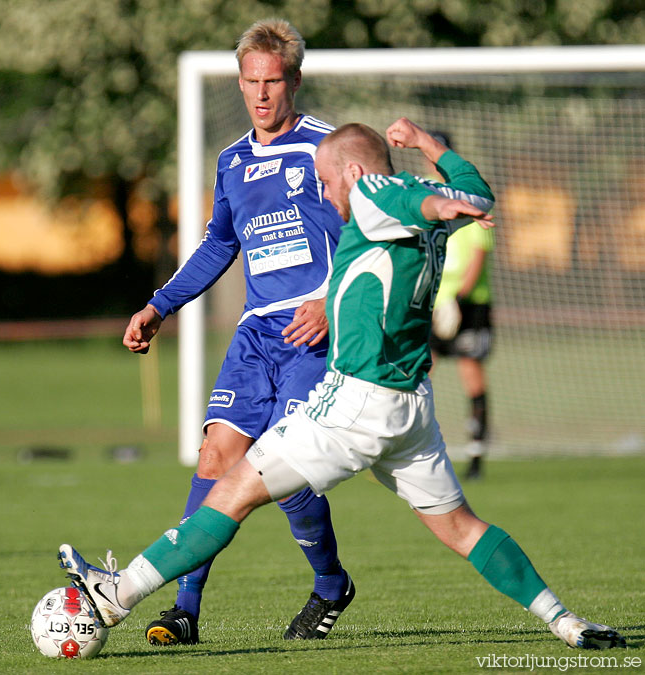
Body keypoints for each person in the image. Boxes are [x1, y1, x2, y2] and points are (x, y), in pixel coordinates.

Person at [66, 119, 625, 651]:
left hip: (356, 403)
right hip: (413, 411)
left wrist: (440, 201)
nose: (324, 194)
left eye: (326, 182)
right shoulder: (415, 199)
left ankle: (117, 595)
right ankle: (565, 621)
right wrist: (433, 152)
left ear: (356, 175)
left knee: (232, 491)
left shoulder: (379, 197)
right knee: (460, 527)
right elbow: (474, 190)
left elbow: (427, 200)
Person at [121, 19, 353, 646]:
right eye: (250, 82)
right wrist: (160, 305)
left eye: (272, 82)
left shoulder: (326, 151)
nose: (260, 95)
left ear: (294, 81)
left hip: (313, 333)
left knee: (282, 473)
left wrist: (331, 301)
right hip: (255, 335)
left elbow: (368, 236)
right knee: (216, 456)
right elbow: (218, 244)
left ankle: (330, 582)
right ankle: (185, 610)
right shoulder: (231, 160)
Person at [425, 131, 494, 480]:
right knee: (418, 373)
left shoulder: (467, 196)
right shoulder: (421, 194)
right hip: (431, 305)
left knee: (471, 373)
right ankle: (404, 448)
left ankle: (477, 455)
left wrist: (458, 298)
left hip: (468, 306)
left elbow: (478, 255)